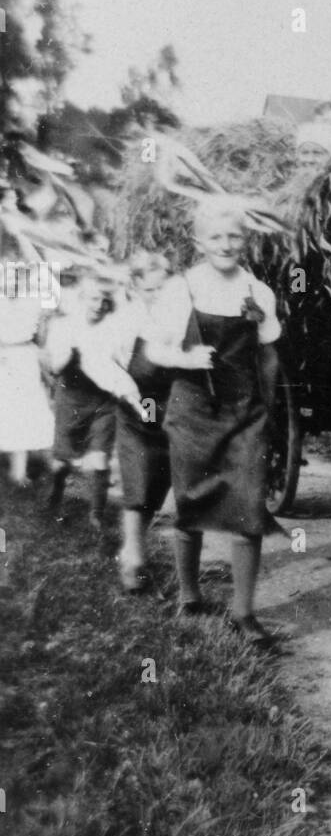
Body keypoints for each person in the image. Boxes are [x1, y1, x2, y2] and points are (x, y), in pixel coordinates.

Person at [147, 197, 281, 644]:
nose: (226, 244)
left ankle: (243, 611)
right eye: (216, 236)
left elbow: (268, 354)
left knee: (248, 507)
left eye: (234, 236)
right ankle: (189, 594)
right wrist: (185, 358)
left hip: (245, 414)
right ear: (198, 241)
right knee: (191, 502)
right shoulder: (180, 289)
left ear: (246, 239)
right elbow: (155, 351)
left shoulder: (258, 293)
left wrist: (268, 407)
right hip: (193, 412)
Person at [79, 250, 173, 592]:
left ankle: (136, 540)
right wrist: (127, 389)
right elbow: (97, 361)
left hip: (172, 406)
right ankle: (133, 555)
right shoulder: (124, 322)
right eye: (151, 291)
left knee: (160, 481)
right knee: (139, 474)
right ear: (134, 287)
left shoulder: (176, 318)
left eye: (164, 289)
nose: (158, 297)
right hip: (138, 403)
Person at [44, 273, 117, 527]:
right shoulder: (64, 326)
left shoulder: (113, 326)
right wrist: (71, 351)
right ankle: (56, 492)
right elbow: (54, 367)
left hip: (103, 401)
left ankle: (96, 515)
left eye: (104, 300)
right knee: (62, 462)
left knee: (99, 459)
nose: (99, 305)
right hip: (71, 399)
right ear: (82, 299)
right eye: (94, 299)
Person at [0, 255, 55, 486]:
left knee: (21, 410)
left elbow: (40, 336)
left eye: (15, 277)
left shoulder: (31, 301)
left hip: (23, 356)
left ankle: (19, 471)